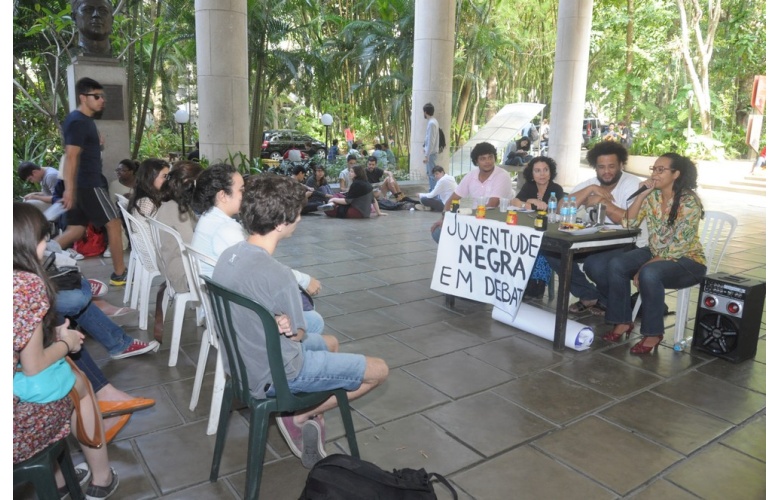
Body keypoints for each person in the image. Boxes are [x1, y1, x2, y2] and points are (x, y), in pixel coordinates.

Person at [212, 174, 388, 468]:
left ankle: (306, 413)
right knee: (379, 370)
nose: (300, 219)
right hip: (278, 374)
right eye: (297, 214)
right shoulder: (278, 274)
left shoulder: (229, 255)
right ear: (282, 223)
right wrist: (290, 324)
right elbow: (297, 335)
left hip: (242, 366)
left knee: (331, 342)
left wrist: (274, 319)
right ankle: (300, 414)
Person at [13, 203, 120, 499]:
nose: (46, 245)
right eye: (43, 239)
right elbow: (33, 364)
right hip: (13, 430)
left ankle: (58, 480)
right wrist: (66, 344)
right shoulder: (25, 285)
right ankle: (102, 477)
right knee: (79, 385)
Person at [191, 164, 326, 335]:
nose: (245, 195)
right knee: (313, 321)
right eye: (241, 190)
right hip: (230, 313)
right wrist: (305, 280)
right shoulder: (225, 230)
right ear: (223, 195)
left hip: (221, 302)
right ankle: (296, 358)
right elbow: (263, 266)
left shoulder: (208, 218)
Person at [601, 153, 706, 355]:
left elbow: (677, 247)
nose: (655, 174)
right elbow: (628, 223)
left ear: (676, 174)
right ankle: (623, 321)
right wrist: (641, 194)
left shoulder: (689, 202)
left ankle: (653, 333)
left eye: (661, 170)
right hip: (657, 252)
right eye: (654, 169)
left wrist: (645, 267)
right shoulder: (653, 196)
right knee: (617, 264)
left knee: (650, 273)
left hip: (688, 260)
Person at [547, 140, 646, 316]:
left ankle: (609, 301)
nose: (606, 171)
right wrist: (590, 190)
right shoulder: (591, 182)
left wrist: (602, 202)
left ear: (621, 165)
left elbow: (627, 223)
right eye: (601, 167)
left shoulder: (632, 184)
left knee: (596, 265)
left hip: (629, 242)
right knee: (553, 252)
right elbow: (560, 209)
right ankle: (589, 295)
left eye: (611, 166)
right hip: (595, 240)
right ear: (595, 167)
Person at [57, 77, 128, 286]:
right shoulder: (79, 121)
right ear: (82, 97)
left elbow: (80, 150)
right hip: (88, 184)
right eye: (96, 96)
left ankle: (38, 258)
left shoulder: (82, 121)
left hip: (82, 184)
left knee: (76, 230)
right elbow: (71, 156)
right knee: (114, 224)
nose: (101, 100)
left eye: (102, 96)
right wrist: (69, 190)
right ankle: (119, 274)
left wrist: (96, 143)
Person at [429, 142, 513, 241]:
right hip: (474, 219)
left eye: (490, 157)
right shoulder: (471, 175)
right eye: (483, 158)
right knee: (439, 232)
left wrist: (468, 219)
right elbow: (451, 200)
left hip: (497, 221)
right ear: (476, 162)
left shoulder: (502, 175)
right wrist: (444, 219)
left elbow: (492, 205)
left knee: (461, 236)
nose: (488, 161)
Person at [510, 157, 565, 298]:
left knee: (539, 247)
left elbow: (554, 213)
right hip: (528, 229)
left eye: (545, 170)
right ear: (532, 174)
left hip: (548, 232)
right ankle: (520, 280)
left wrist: (528, 203)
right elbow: (514, 201)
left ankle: (537, 282)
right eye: (537, 171)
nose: (542, 174)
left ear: (551, 172)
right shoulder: (529, 186)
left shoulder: (556, 189)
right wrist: (528, 201)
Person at [155, 160, 202, 293]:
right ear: (190, 183)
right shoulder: (175, 209)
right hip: (182, 273)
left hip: (177, 266)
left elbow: (197, 224)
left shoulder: (175, 204)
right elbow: (192, 244)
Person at [422, 102, 440, 191]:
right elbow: (428, 139)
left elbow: (431, 141)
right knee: (431, 173)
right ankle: (432, 191)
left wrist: (427, 155)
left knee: (432, 174)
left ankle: (433, 192)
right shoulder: (432, 122)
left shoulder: (432, 123)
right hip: (431, 153)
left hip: (431, 154)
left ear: (425, 112)